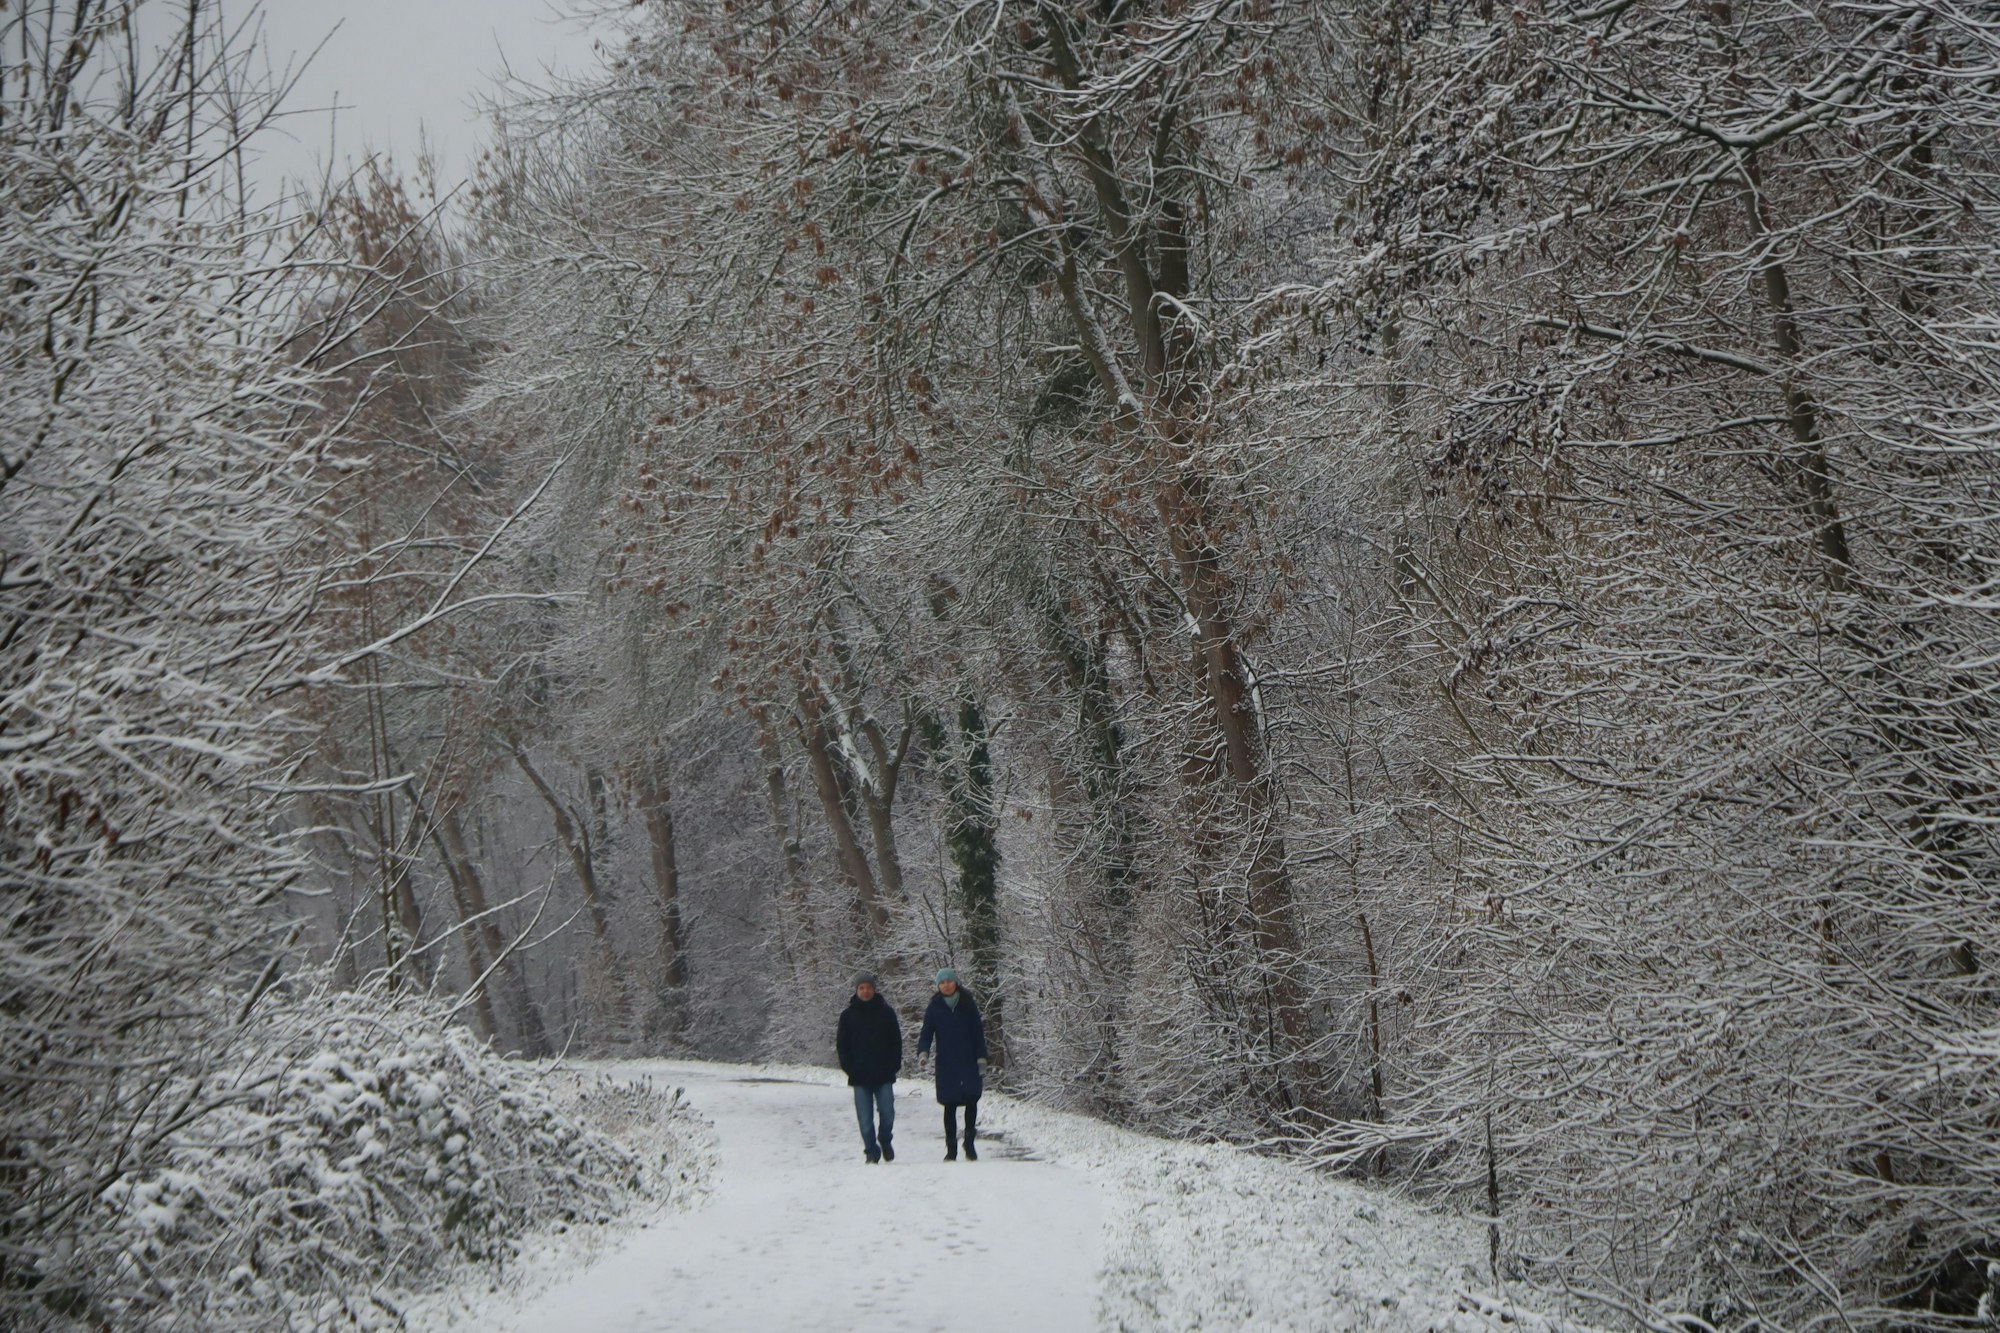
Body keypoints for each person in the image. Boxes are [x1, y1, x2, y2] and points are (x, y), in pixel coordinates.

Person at [915, 967, 988, 1161]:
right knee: (950, 1104)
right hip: (946, 1062)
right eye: (942, 983)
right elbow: (926, 1032)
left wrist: (981, 1058)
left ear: (956, 982)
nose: (946, 985)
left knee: (971, 1099)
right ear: (938, 986)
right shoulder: (934, 1007)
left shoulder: (968, 1004)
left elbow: (977, 1033)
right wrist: (923, 1052)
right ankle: (951, 1148)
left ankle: (969, 1143)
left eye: (949, 981)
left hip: (969, 1060)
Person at [835, 971, 901, 1163]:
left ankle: (885, 1139)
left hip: (884, 1074)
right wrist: (849, 1068)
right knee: (865, 1120)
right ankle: (871, 1151)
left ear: (874, 989)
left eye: (869, 987)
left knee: (888, 1114)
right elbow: (842, 1045)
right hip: (859, 1075)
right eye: (862, 988)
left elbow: (896, 1041)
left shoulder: (886, 1013)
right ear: (856, 991)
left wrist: (893, 1065)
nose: (865, 991)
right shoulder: (847, 1016)